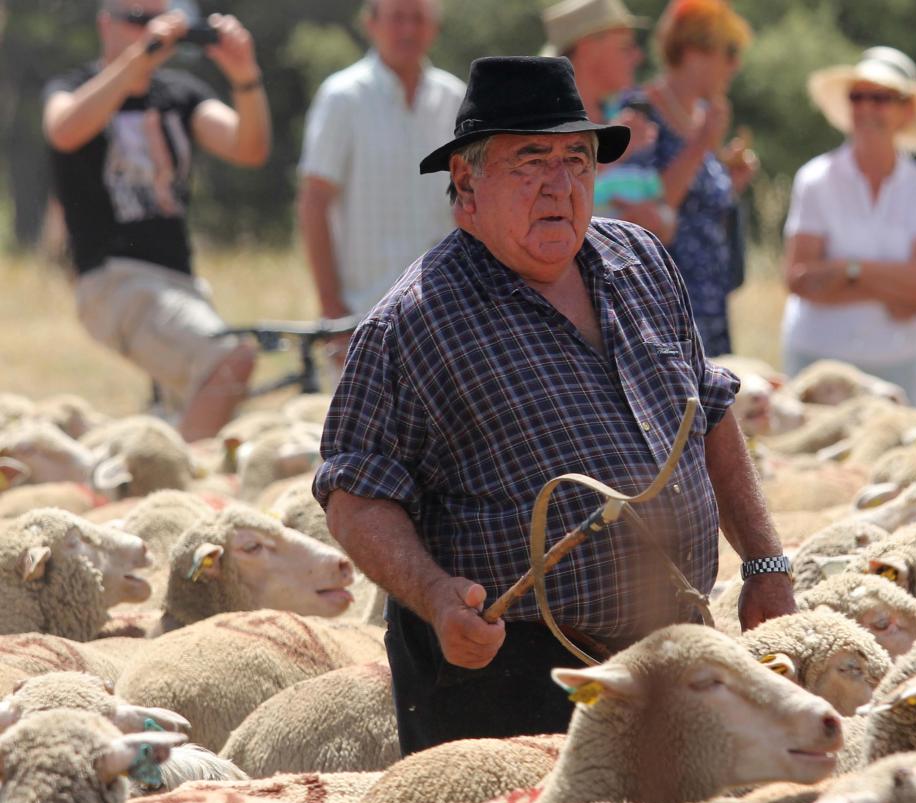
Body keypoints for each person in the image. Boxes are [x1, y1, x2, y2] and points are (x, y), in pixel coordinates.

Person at [314, 57, 794, 754]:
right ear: (466, 185)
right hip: (509, 685)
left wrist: (765, 562)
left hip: (672, 652)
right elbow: (354, 493)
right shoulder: (415, 322)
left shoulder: (640, 262)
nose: (559, 185)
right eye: (529, 161)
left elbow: (710, 409)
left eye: (576, 160)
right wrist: (438, 595)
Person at [42, 0, 270, 441]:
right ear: (105, 24)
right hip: (115, 280)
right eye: (137, 19)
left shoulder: (180, 94)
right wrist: (139, 57)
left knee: (199, 405)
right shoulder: (73, 86)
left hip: (179, 283)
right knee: (229, 362)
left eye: (159, 19)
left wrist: (245, 75)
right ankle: (180, 491)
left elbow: (249, 147)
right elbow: (63, 130)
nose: (150, 30)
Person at [780, 47, 916, 407]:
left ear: (907, 110)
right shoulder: (815, 179)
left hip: (896, 362)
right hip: (818, 363)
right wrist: (894, 288)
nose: (866, 108)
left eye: (880, 98)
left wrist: (844, 271)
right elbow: (798, 278)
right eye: (858, 97)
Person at [297, 0, 464, 339]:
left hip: (448, 311)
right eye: (397, 18)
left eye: (418, 18)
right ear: (370, 24)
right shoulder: (342, 97)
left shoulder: (456, 97)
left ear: (435, 27)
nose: (408, 30)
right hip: (365, 315)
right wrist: (332, 309)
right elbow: (314, 202)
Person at [622, 0, 758, 357]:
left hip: (710, 299)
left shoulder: (699, 114)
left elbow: (697, 205)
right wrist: (701, 144)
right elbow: (647, 210)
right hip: (666, 301)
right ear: (694, 51)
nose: (735, 65)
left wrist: (730, 179)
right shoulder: (640, 113)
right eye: (729, 52)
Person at [540, 0, 675, 243]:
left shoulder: (629, 122)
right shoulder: (537, 127)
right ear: (588, 48)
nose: (638, 56)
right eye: (626, 47)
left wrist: (657, 220)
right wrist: (616, 152)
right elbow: (538, 210)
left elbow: (665, 220)